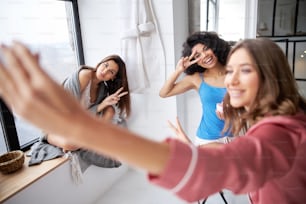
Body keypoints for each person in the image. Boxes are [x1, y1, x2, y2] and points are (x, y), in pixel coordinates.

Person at [0, 38, 306, 204]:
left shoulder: (282, 133)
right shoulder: (283, 118)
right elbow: (165, 93)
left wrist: (80, 127)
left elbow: (226, 164)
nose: (232, 80)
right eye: (231, 72)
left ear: (270, 74)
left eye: (245, 70)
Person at [159, 31, 232, 145]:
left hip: (237, 136)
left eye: (206, 49)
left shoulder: (235, 72)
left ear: (215, 48)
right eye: (197, 55)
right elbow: (164, 93)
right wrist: (178, 71)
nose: (204, 56)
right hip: (208, 139)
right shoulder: (196, 79)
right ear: (195, 61)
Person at [46, 55, 131, 152]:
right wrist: (101, 105)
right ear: (99, 64)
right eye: (105, 65)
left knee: (110, 110)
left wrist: (104, 103)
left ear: (113, 77)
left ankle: (90, 139)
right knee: (71, 144)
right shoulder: (85, 75)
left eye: (111, 72)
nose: (104, 71)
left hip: (78, 124)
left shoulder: (102, 89)